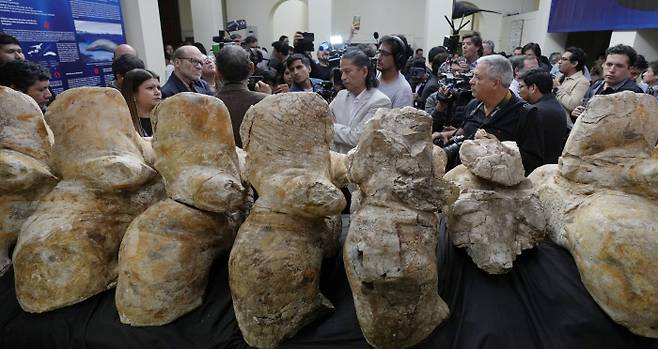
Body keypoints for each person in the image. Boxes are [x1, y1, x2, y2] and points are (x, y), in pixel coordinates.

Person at [433, 55, 544, 175]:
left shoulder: (526, 114)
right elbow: (467, 132)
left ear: (495, 83)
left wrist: (500, 149)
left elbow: (534, 163)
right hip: (461, 178)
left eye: (478, 77)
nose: (471, 81)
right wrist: (447, 135)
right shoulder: (474, 105)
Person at [330, 49, 391, 154]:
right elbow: (321, 120)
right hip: (336, 162)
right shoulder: (341, 95)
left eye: (347, 72)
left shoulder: (380, 101)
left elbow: (359, 138)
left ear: (364, 71)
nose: (343, 77)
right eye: (341, 72)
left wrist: (331, 126)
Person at [215, 45, 271, 148]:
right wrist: (270, 99)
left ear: (217, 72)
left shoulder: (208, 105)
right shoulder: (265, 102)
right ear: (251, 68)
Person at [572, 44, 643, 121]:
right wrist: (576, 114)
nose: (612, 70)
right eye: (609, 64)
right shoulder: (597, 85)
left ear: (630, 69)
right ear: (603, 64)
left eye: (619, 66)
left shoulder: (633, 94)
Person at [518, 69, 568, 164]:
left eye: (521, 87)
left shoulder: (535, 111)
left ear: (533, 88)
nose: (519, 91)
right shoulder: (555, 105)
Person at [120, 69, 161, 137]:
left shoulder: (168, 117)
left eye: (159, 88)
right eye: (150, 88)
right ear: (133, 94)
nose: (157, 92)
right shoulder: (123, 124)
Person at [554, 47, 590, 125]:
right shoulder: (560, 77)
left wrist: (557, 89)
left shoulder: (582, 82)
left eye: (564, 59)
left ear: (574, 64)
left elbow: (573, 105)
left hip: (564, 126)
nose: (559, 62)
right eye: (560, 59)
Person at [376, 35, 413, 108]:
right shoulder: (375, 77)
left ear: (398, 58)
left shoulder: (403, 90)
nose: (379, 57)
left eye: (385, 54)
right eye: (379, 52)